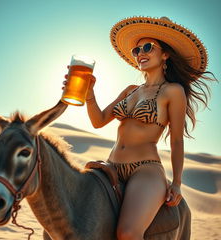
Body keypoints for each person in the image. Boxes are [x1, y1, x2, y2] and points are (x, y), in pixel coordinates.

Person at [63, 16, 215, 240]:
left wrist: (178, 183)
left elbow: (176, 141)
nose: (140, 53)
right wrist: (89, 93)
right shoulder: (130, 90)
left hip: (145, 170)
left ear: (165, 54)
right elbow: (99, 120)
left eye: (147, 47)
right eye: (136, 50)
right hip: (111, 166)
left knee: (127, 233)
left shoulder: (173, 91)